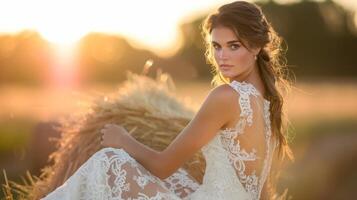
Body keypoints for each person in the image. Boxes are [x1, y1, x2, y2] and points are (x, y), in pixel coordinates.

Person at [42, 1, 293, 199]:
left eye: (233, 46)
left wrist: (123, 140)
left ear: (257, 46)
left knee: (109, 162)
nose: (222, 56)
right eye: (217, 46)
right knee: (181, 178)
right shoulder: (267, 101)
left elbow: (163, 166)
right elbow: (262, 191)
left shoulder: (226, 96)